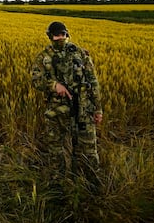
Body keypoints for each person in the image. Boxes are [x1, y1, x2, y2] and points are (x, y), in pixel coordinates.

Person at [31, 21, 102, 176]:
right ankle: (59, 184)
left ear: (67, 34)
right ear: (50, 36)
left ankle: (92, 183)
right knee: (56, 151)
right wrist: (54, 85)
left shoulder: (80, 53)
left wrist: (98, 109)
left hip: (83, 110)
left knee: (89, 150)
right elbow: (36, 81)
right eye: (57, 35)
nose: (60, 38)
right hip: (57, 112)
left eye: (63, 34)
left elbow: (93, 81)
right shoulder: (43, 57)